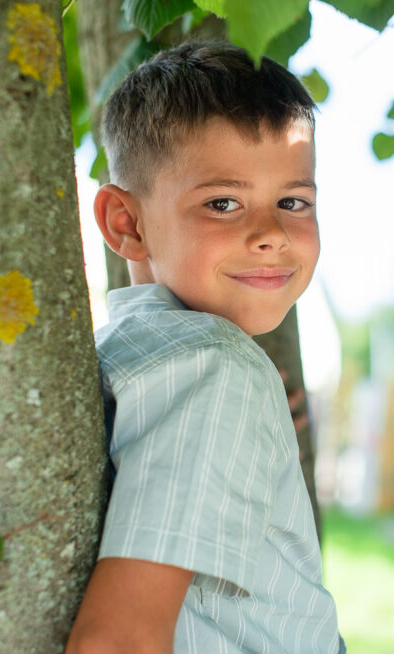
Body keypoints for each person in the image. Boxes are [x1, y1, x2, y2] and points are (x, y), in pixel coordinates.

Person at [64, 42, 344, 653]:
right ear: (125, 225)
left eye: (293, 202)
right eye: (223, 203)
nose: (270, 234)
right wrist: (236, 389)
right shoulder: (216, 370)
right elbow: (117, 641)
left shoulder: (125, 357)